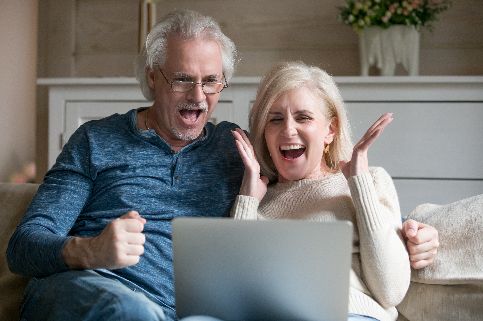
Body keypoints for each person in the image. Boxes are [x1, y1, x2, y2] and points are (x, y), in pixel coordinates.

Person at [7, 9, 438, 321]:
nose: (198, 96)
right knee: (130, 309)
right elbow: (23, 247)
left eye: (211, 81)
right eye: (182, 79)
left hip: (189, 314)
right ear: (153, 76)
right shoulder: (96, 140)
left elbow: (318, 189)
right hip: (93, 291)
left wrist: (411, 230)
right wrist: (91, 250)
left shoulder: (239, 149)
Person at [230, 61, 410, 321]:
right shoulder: (255, 199)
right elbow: (232, 294)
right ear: (264, 133)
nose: (288, 129)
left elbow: (391, 291)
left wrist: (360, 186)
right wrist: (247, 199)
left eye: (303, 117)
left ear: (330, 130)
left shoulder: (370, 182)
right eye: (275, 119)